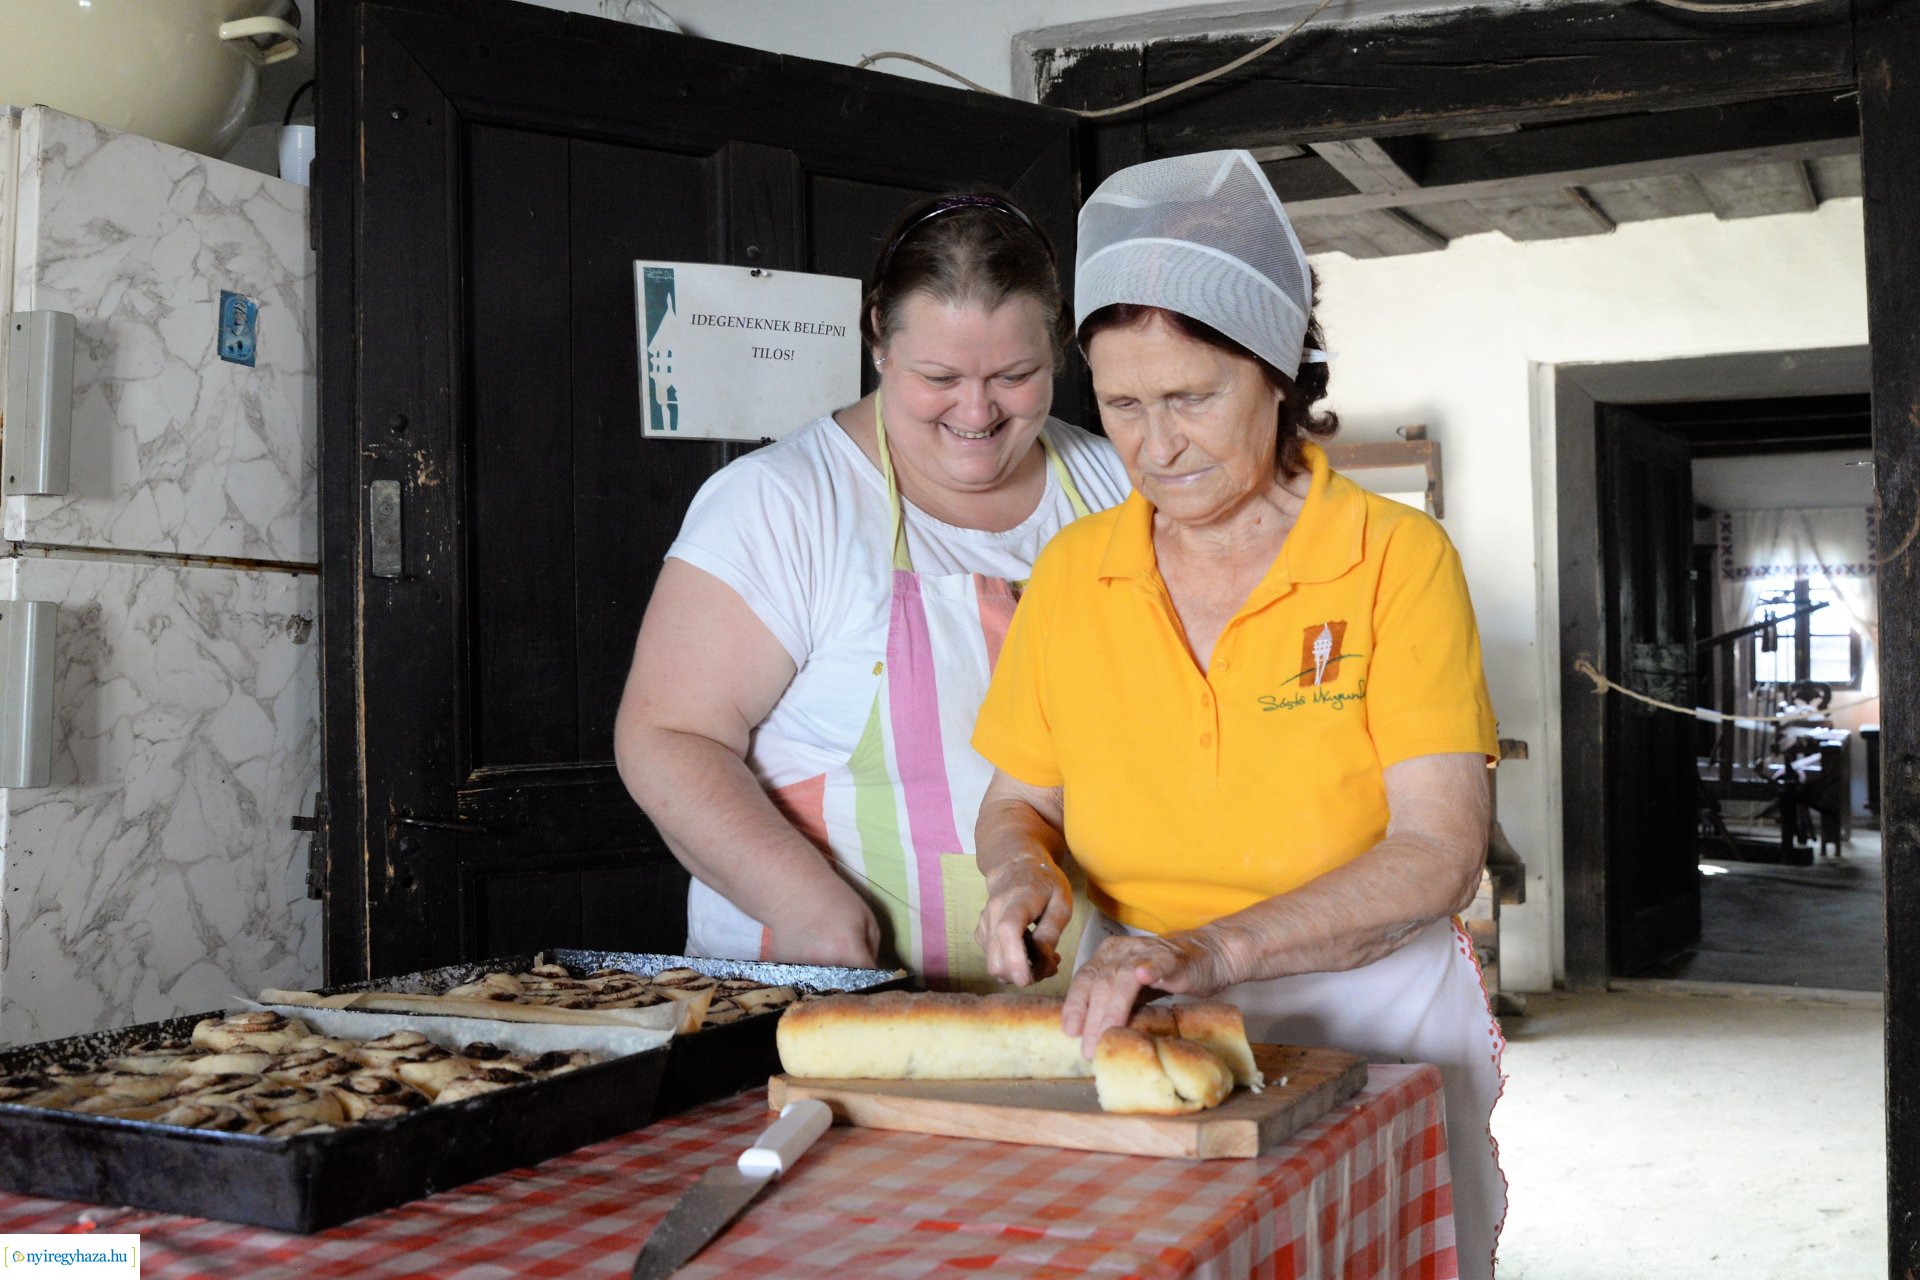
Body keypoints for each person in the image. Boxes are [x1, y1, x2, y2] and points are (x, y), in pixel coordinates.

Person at [969, 151, 1506, 1278]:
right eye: (1123, 405)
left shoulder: (1393, 558)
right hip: (1140, 1014)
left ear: (1278, 374)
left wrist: (1214, 948)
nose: (1156, 445)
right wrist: (1020, 871)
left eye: (1192, 398)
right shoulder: (1073, 571)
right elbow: (1022, 798)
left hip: (1369, 1011)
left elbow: (1440, 849)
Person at [614, 192, 1131, 991]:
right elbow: (668, 734)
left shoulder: (1117, 486)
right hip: (831, 987)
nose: (976, 411)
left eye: (1015, 376)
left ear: (1058, 349)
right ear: (879, 340)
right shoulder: (784, 502)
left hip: (1080, 997)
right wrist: (801, 901)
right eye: (939, 377)